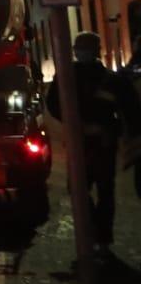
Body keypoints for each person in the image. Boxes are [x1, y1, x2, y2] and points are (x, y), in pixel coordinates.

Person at [49, 32, 141, 254]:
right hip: (85, 142)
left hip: (100, 143)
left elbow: (131, 111)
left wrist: (119, 133)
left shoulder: (110, 80)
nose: (83, 52)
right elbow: (53, 104)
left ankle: (100, 236)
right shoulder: (67, 77)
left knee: (100, 189)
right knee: (83, 189)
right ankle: (96, 233)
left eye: (86, 48)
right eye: (81, 48)